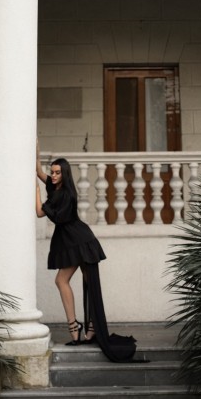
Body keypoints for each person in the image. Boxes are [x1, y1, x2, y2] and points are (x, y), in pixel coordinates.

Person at [35, 141, 137, 362]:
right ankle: (85, 328)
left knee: (67, 281)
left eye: (57, 173)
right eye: (53, 172)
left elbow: (40, 213)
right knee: (80, 283)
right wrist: (36, 150)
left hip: (79, 241)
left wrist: (35, 190)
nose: (53, 176)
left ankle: (78, 328)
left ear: (65, 174)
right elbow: (39, 171)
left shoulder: (65, 194)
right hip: (74, 240)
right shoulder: (55, 187)